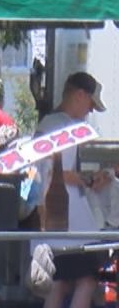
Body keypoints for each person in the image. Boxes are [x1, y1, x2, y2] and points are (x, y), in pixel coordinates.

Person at [38, 72, 108, 308]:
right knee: (87, 280)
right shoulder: (64, 129)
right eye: (90, 104)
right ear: (80, 95)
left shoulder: (47, 124)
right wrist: (89, 181)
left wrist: (86, 179)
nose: (89, 111)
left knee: (60, 282)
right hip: (69, 223)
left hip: (51, 222)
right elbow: (63, 174)